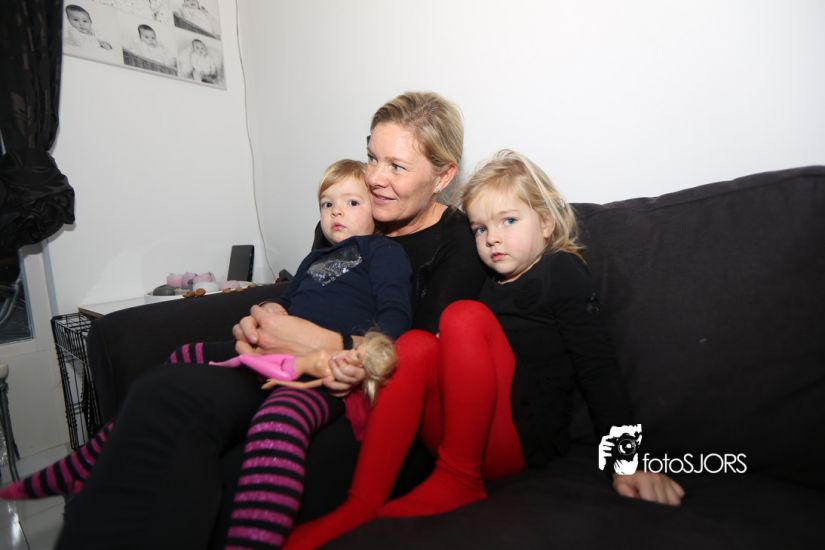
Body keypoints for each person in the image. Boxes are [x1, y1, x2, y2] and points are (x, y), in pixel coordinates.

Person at [52, 91, 485, 550]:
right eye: (372, 157)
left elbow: (419, 356)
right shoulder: (347, 217)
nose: (375, 177)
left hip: (370, 400)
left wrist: (318, 343)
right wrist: (262, 319)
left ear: (443, 176)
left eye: (396, 166)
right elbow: (309, 294)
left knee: (234, 477)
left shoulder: (458, 241)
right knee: (173, 419)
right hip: (284, 368)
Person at [284, 150, 686, 548]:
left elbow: (598, 368)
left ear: (546, 223)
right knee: (416, 343)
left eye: (508, 221)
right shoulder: (486, 282)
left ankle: (459, 480)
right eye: (479, 229)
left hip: (519, 437)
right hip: (459, 430)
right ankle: (363, 501)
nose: (492, 237)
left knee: (462, 317)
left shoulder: (560, 271)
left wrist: (627, 463)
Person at [3, 159, 409, 547]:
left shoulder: (381, 252)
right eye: (327, 203)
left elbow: (394, 320)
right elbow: (286, 299)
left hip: (324, 369)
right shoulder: (313, 258)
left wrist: (357, 356)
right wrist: (270, 308)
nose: (336, 211)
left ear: (376, 211)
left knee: (278, 422)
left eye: (351, 202)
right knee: (185, 355)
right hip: (272, 351)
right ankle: (91, 458)